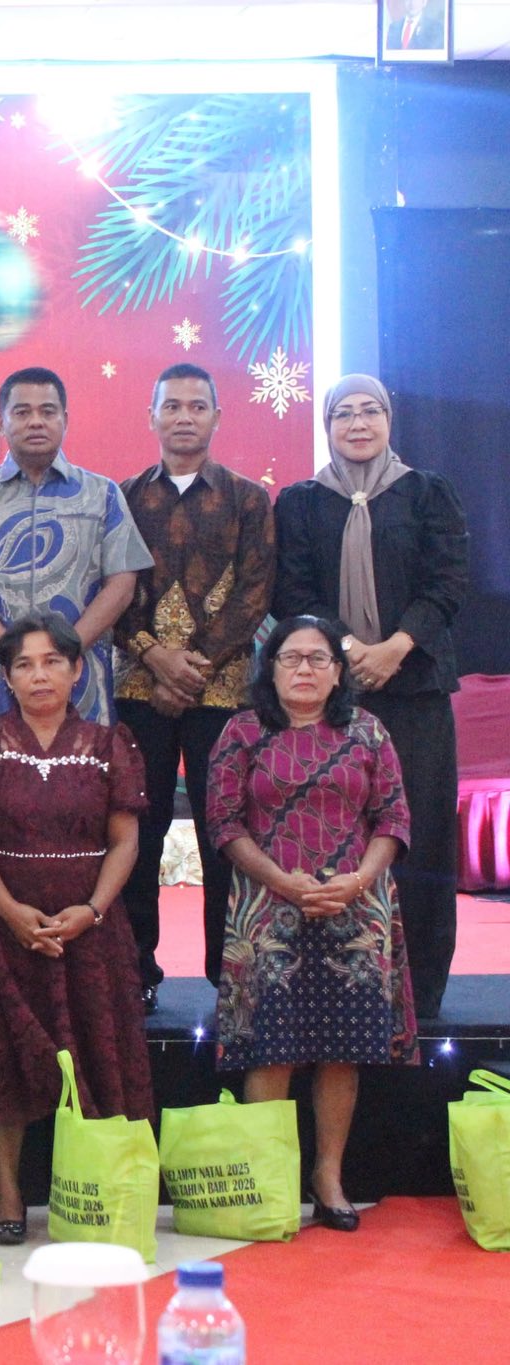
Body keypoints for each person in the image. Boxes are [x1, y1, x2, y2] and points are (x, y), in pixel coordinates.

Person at [0, 613, 153, 1245]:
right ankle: (6, 1196)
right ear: (6, 677)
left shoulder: (109, 743)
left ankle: (94, 1196)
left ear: (77, 669)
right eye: (25, 665)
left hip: (90, 929)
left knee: (98, 1059)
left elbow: (126, 839)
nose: (40, 675)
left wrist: (92, 910)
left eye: (53, 661)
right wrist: (9, 910)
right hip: (0, 924)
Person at [208, 616, 416, 1232]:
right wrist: (281, 880)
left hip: (356, 905)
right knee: (271, 1048)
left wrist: (359, 880)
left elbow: (393, 818)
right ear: (269, 669)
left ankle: (328, 1178)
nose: (304, 669)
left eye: (318, 659)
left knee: (342, 1050)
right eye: (291, 658)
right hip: (269, 907)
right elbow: (222, 823)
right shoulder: (243, 731)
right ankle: (266, 1182)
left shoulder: (368, 731)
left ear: (338, 671)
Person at [274, 375, 468, 1019]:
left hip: (416, 689)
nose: (358, 424)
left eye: (370, 411)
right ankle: (339, 982)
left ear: (389, 419)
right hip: (331, 694)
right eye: (344, 414)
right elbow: (293, 591)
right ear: (327, 426)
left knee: (422, 832)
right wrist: (352, 650)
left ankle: (421, 990)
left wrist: (396, 647)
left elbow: (447, 582)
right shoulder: (301, 502)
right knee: (336, 833)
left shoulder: (427, 492)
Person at [113, 365, 275, 1006]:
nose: (184, 416)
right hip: (138, 691)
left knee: (226, 832)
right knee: (137, 828)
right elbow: (110, 590)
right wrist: (156, 658)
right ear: (151, 416)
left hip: (224, 694)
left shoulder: (248, 499)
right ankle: (134, 974)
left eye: (197, 406)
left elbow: (256, 593)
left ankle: (229, 976)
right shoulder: (122, 497)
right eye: (172, 405)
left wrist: (193, 666)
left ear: (217, 416)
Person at [0, 367, 153, 726]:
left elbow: (121, 586)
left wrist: (66, 655)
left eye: (48, 411)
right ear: (1, 422)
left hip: (82, 687)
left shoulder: (102, 495)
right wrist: (12, 655)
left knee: (82, 764)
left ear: (65, 420)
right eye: (22, 412)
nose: (36, 421)